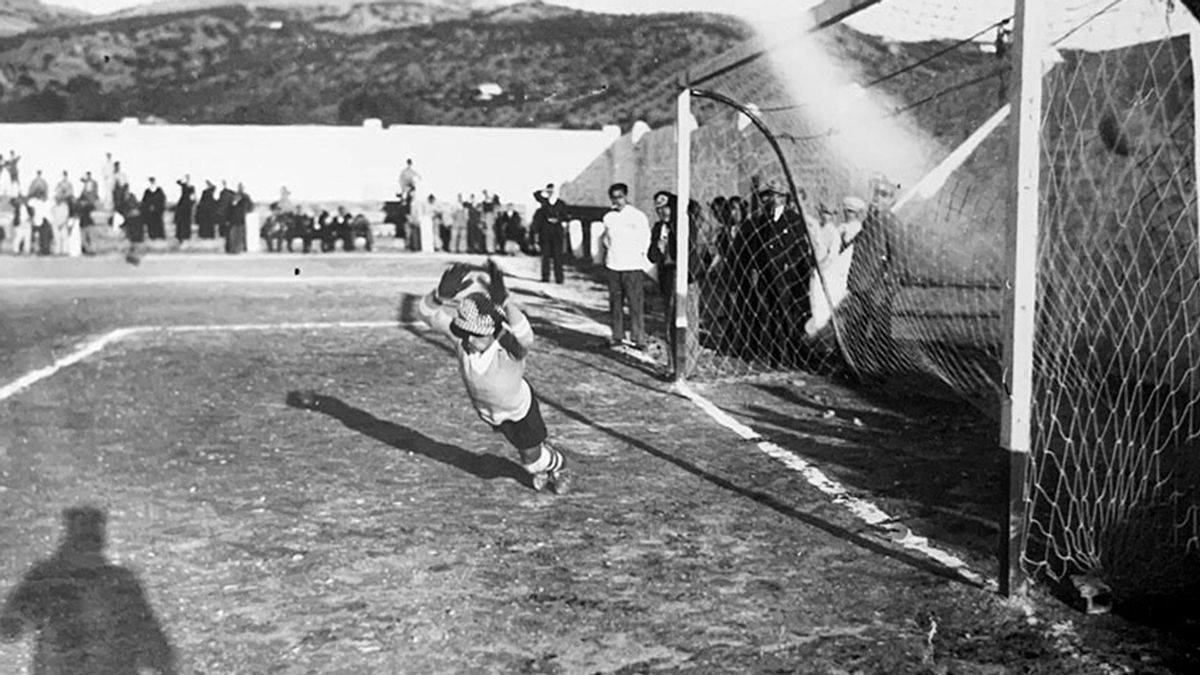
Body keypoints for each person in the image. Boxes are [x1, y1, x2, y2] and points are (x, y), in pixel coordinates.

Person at [414, 261, 571, 494]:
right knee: (527, 453)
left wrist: (506, 303)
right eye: (466, 333)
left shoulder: (508, 349)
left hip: (520, 412)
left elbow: (526, 338)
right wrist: (438, 296)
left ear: (493, 332)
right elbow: (427, 315)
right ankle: (541, 456)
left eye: (477, 335)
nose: (469, 340)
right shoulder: (463, 341)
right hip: (492, 415)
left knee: (530, 461)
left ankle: (558, 463)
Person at [1, 506, 178, 675]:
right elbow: (9, 628)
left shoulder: (119, 582)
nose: (89, 546)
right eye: (85, 539)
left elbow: (153, 640)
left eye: (92, 539)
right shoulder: (49, 578)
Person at [598, 182, 651, 349]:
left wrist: (639, 259)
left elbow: (645, 239)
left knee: (635, 304)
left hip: (632, 266)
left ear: (626, 196)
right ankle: (617, 335)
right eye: (613, 198)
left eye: (620, 197)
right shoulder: (609, 217)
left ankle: (639, 338)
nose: (617, 201)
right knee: (616, 304)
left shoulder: (638, 216)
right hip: (614, 265)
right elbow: (606, 240)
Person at [531, 183, 568, 283]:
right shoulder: (544, 203)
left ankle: (559, 278)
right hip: (546, 232)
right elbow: (536, 194)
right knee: (545, 255)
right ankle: (545, 277)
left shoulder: (561, 204)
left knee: (558, 256)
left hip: (557, 232)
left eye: (553, 191)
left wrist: (559, 221)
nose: (552, 193)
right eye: (550, 191)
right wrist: (545, 190)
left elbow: (565, 217)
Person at [174, 175, 195, 242]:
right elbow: (178, 182)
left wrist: (191, 204)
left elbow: (193, 197)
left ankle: (185, 236)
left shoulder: (191, 187)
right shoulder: (184, 185)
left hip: (187, 206)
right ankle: (180, 236)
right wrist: (183, 179)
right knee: (180, 221)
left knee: (186, 221)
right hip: (182, 205)